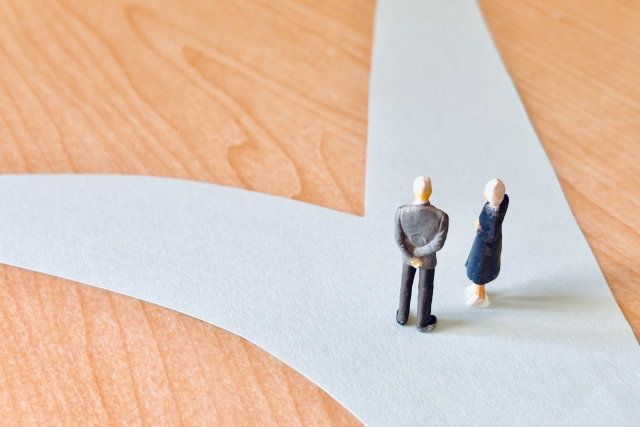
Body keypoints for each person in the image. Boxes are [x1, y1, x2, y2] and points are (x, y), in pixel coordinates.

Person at [394, 176, 449, 332]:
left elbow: (399, 239)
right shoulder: (441, 216)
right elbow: (438, 243)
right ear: (430, 191)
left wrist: (412, 256)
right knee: (425, 288)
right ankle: (423, 321)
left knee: (405, 284)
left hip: (408, 258)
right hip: (428, 259)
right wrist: (420, 254)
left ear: (414, 190)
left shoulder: (401, 212)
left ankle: (402, 316)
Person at [465, 178, 509, 307]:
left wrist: (479, 228)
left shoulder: (493, 214)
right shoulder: (503, 201)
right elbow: (504, 196)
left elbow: (491, 236)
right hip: (484, 244)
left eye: (486, 192)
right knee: (475, 265)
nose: (483, 192)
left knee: (480, 269)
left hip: (485, 248)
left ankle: (480, 295)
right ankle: (476, 287)